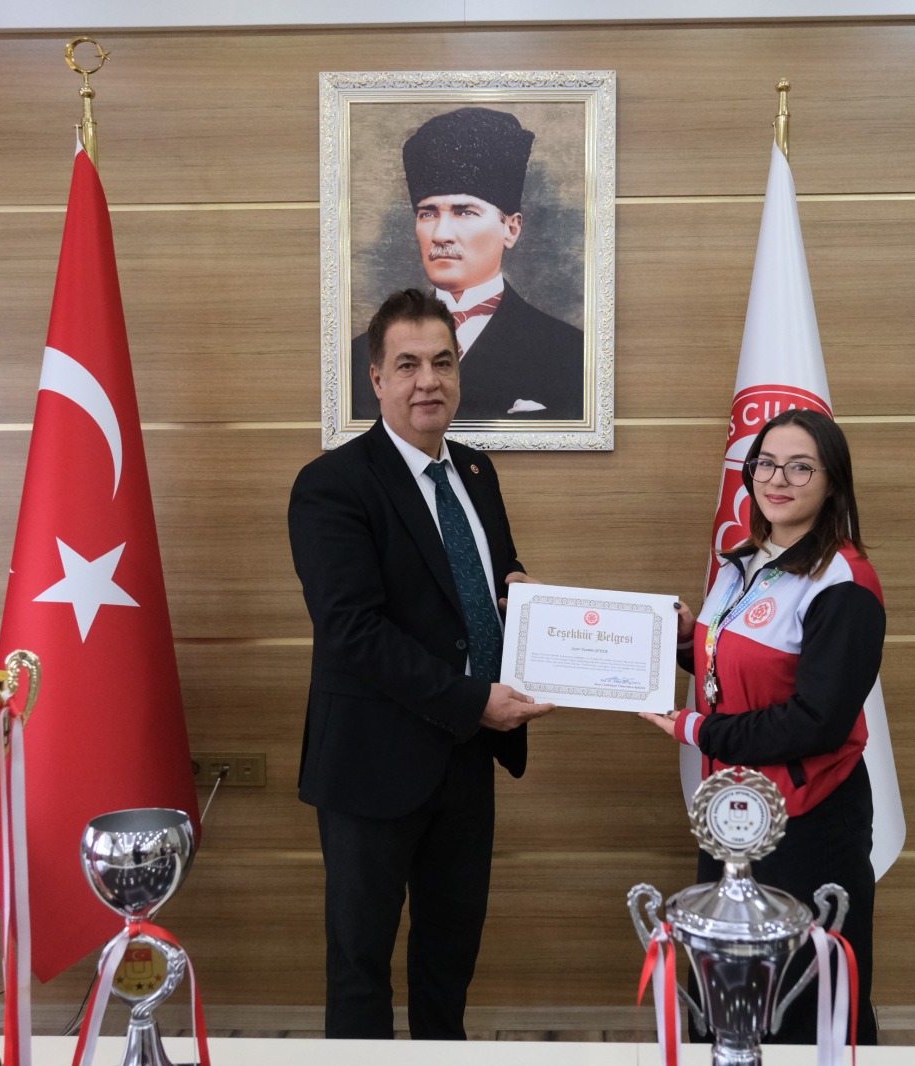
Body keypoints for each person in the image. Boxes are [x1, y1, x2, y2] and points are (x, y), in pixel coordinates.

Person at [289, 288, 556, 1040]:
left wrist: (525, 599)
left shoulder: (475, 471)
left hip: (466, 758)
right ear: (376, 378)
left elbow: (488, 579)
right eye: (407, 365)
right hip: (372, 761)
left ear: (460, 370)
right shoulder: (332, 485)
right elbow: (352, 632)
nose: (427, 381)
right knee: (361, 964)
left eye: (442, 362)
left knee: (449, 958)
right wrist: (474, 700)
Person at [639, 407, 884, 1046]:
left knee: (802, 996)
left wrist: (697, 730)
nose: (778, 479)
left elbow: (816, 721)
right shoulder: (742, 561)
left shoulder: (844, 582)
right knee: (728, 982)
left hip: (809, 819)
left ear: (833, 482)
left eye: (800, 467)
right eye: (766, 464)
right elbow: (735, 666)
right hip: (733, 813)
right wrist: (685, 640)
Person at [351, 107, 584, 422]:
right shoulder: (362, 356)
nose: (440, 234)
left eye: (464, 212)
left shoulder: (570, 352)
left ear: (510, 229)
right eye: (428, 213)